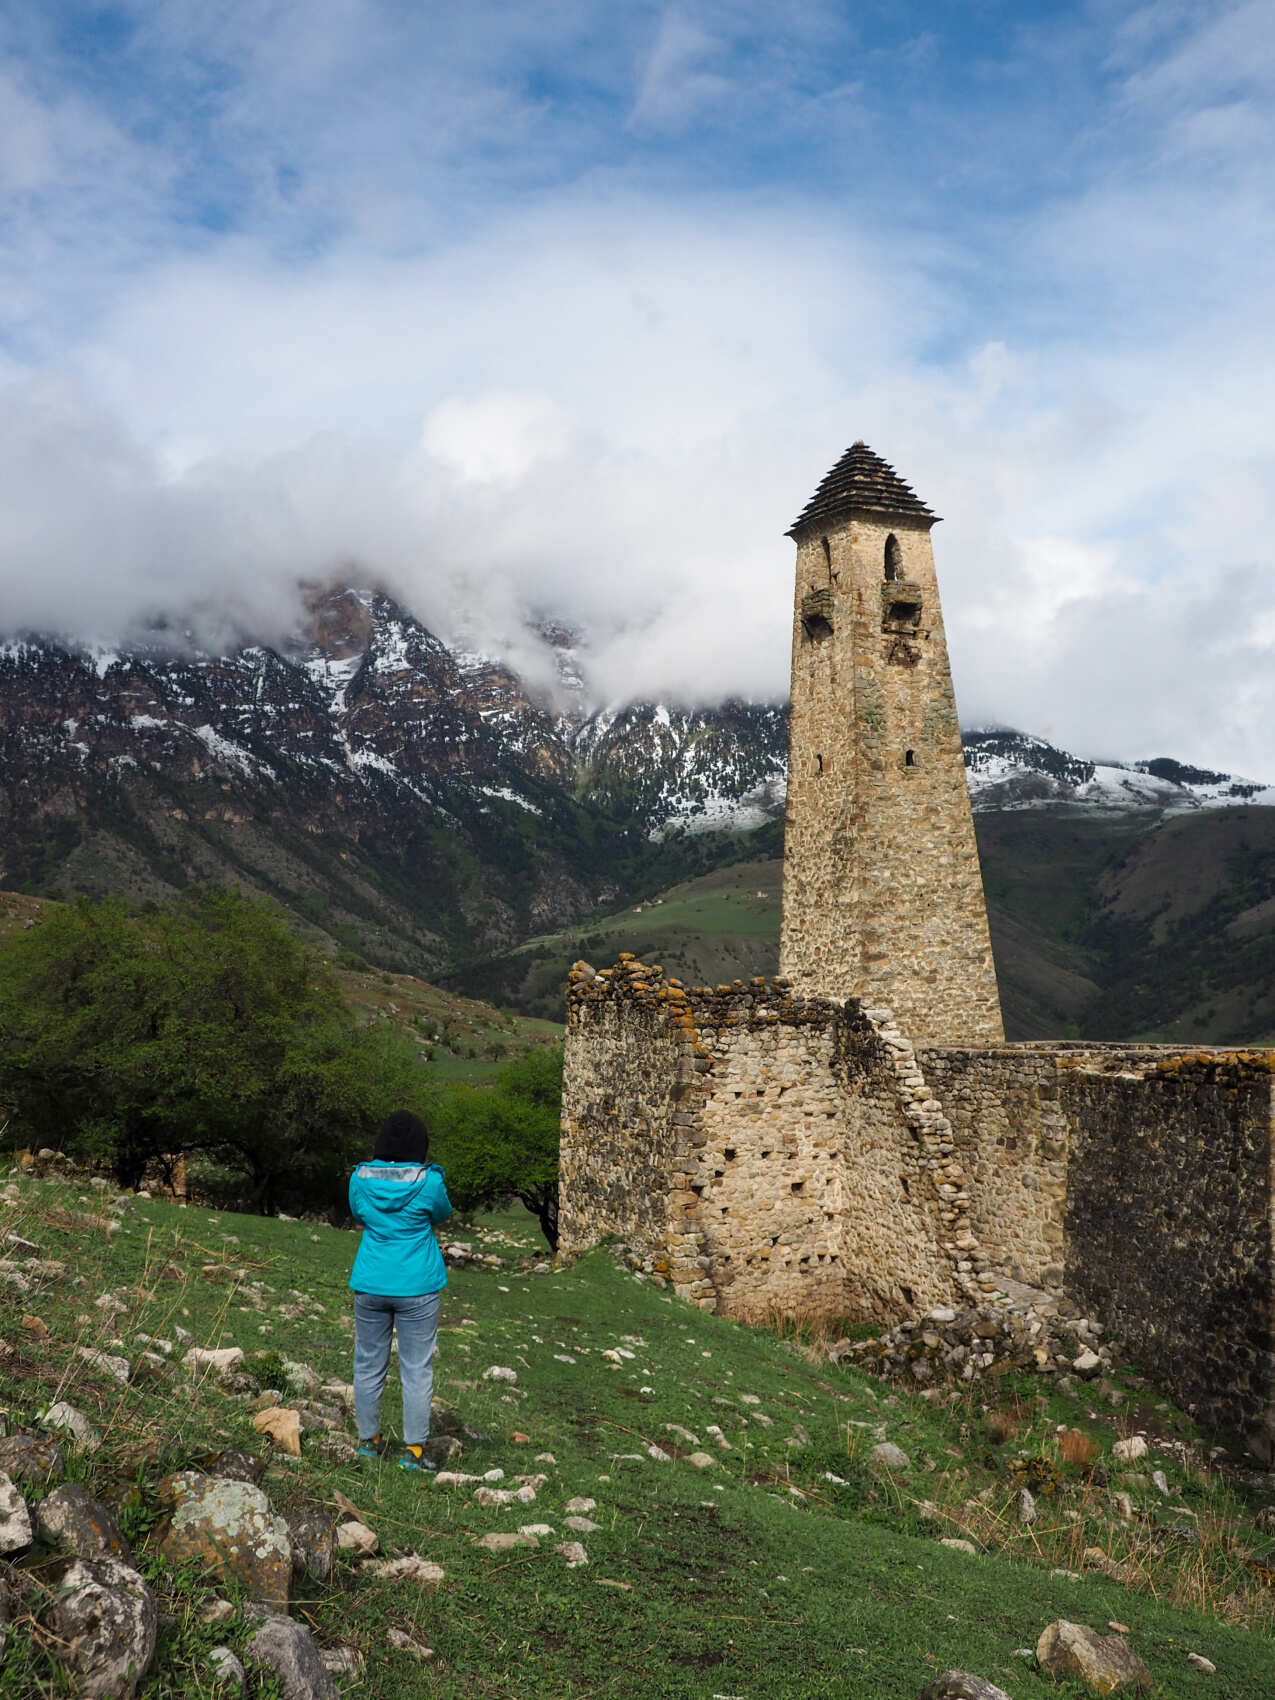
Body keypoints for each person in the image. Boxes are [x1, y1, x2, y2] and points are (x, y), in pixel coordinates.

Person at [348, 1109, 452, 1472]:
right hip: (418, 1286)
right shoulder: (430, 1182)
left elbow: (359, 1213)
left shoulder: (359, 1179)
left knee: (367, 1362)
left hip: (371, 1282)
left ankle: (368, 1441)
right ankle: (414, 1452)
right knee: (416, 1368)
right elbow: (441, 1214)